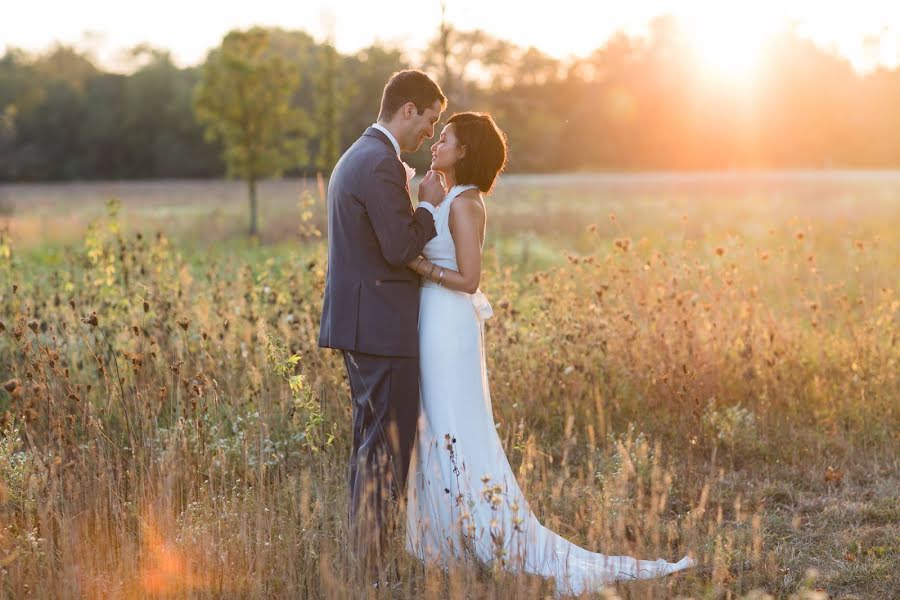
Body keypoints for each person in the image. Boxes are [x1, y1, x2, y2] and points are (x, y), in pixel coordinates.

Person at [404, 112, 696, 595]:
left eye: (446, 138)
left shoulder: (465, 204)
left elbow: (469, 280)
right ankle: (446, 535)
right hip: (430, 318)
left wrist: (419, 266)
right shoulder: (439, 194)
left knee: (452, 419)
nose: (436, 142)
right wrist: (425, 205)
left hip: (448, 319)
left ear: (464, 152)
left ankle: (482, 533)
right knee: (432, 420)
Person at [317, 69, 447, 578]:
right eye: (429, 120)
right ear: (407, 108)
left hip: (360, 323)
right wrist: (429, 208)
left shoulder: (358, 155)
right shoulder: (382, 164)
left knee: (370, 443)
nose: (431, 134)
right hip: (381, 326)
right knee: (388, 448)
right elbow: (398, 248)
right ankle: (371, 565)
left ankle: (365, 556)